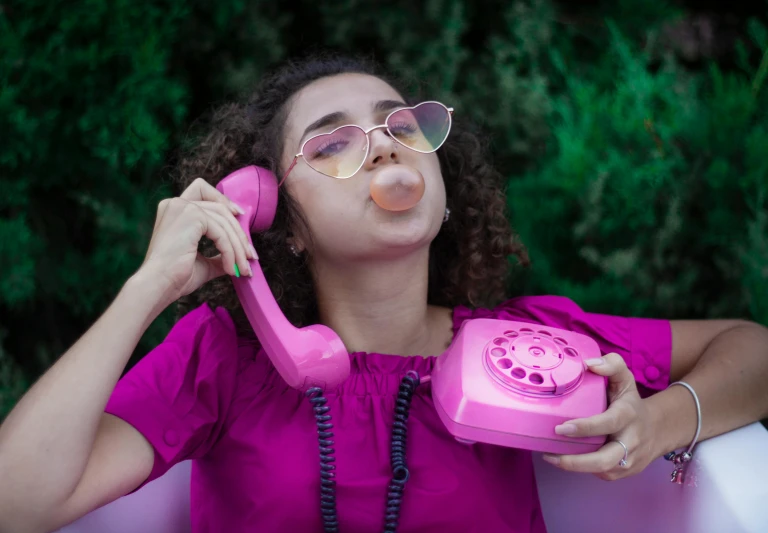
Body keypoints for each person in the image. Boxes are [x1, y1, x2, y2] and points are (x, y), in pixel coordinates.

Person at [1, 54, 767, 533]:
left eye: (403, 125)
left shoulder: (528, 343)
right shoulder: (218, 360)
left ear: (441, 187)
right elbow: (17, 503)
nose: (385, 144)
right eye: (333, 142)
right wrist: (148, 285)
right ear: (278, 219)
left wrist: (658, 423)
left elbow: (752, 347)